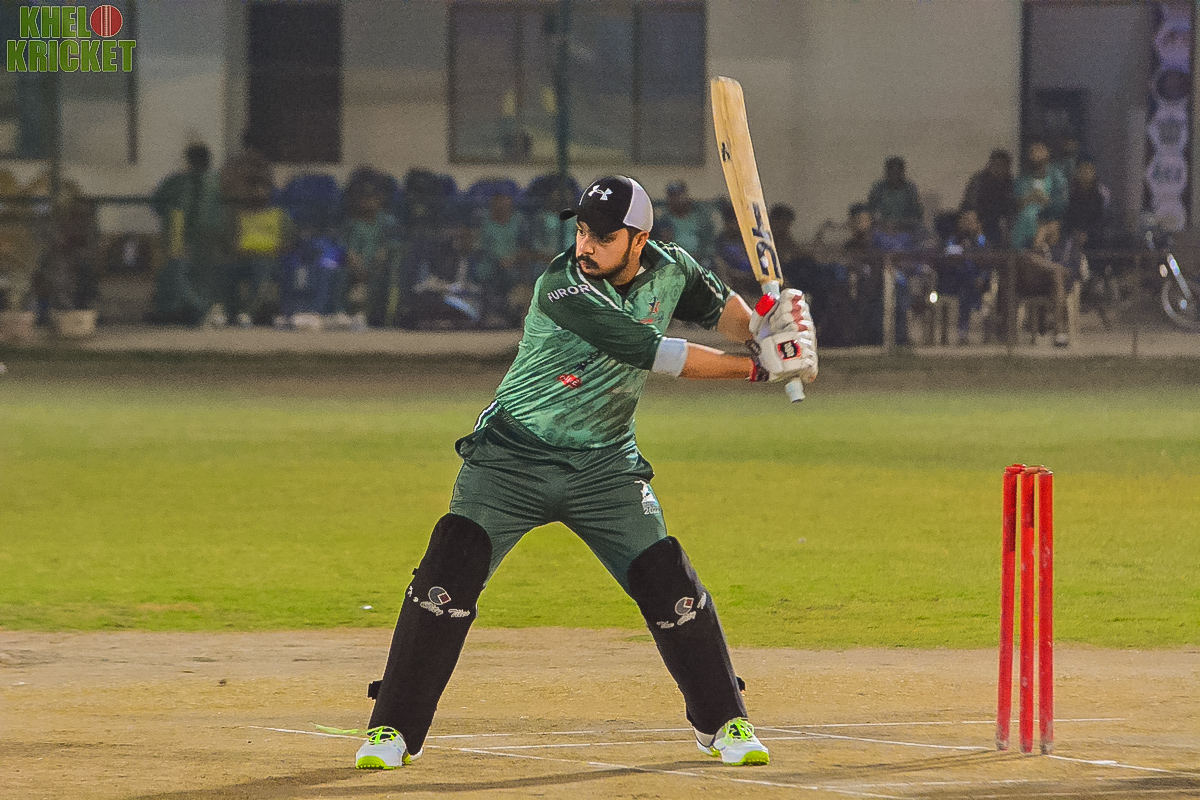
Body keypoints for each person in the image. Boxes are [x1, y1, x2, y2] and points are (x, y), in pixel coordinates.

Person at [353, 176, 817, 771]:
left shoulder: (672, 267)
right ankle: (391, 730)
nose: (586, 245)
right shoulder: (562, 285)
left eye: (603, 236)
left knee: (668, 579)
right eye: (582, 230)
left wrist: (766, 326)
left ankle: (723, 720)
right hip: (511, 459)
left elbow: (722, 312)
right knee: (450, 568)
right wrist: (760, 368)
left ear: (639, 239)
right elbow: (651, 352)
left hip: (605, 467)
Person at [148, 143, 224, 324]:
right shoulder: (214, 182)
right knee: (190, 274)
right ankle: (189, 309)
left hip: (187, 235)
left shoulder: (179, 182)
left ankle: (190, 309)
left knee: (179, 273)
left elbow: (157, 203)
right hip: (202, 235)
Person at [1012, 142, 1068, 250]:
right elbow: (1015, 205)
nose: (1036, 154)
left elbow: (1061, 205)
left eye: (1040, 150)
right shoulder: (1022, 180)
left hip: (1049, 223)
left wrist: (1044, 200)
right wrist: (1029, 198)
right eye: (1032, 151)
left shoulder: (1057, 177)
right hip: (1024, 225)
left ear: (1047, 152)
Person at [960, 149, 1017, 246]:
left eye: (1004, 166)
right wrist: (975, 219)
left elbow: (1010, 209)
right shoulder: (979, 180)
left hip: (993, 221)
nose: (999, 169)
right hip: (975, 216)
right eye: (997, 165)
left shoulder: (1009, 184)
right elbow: (970, 203)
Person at [655, 182, 715, 265]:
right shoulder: (664, 220)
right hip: (677, 260)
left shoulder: (701, 217)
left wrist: (700, 255)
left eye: (678, 195)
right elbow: (666, 243)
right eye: (672, 196)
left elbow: (708, 240)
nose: (676, 200)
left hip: (701, 258)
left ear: (686, 196)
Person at [867, 156, 924, 235]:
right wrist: (883, 224)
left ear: (902, 172)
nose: (894, 174)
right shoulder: (878, 188)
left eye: (898, 170)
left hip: (906, 228)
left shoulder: (910, 189)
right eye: (891, 170)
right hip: (882, 228)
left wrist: (902, 224)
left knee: (922, 231)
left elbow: (917, 214)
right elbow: (870, 212)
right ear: (887, 172)